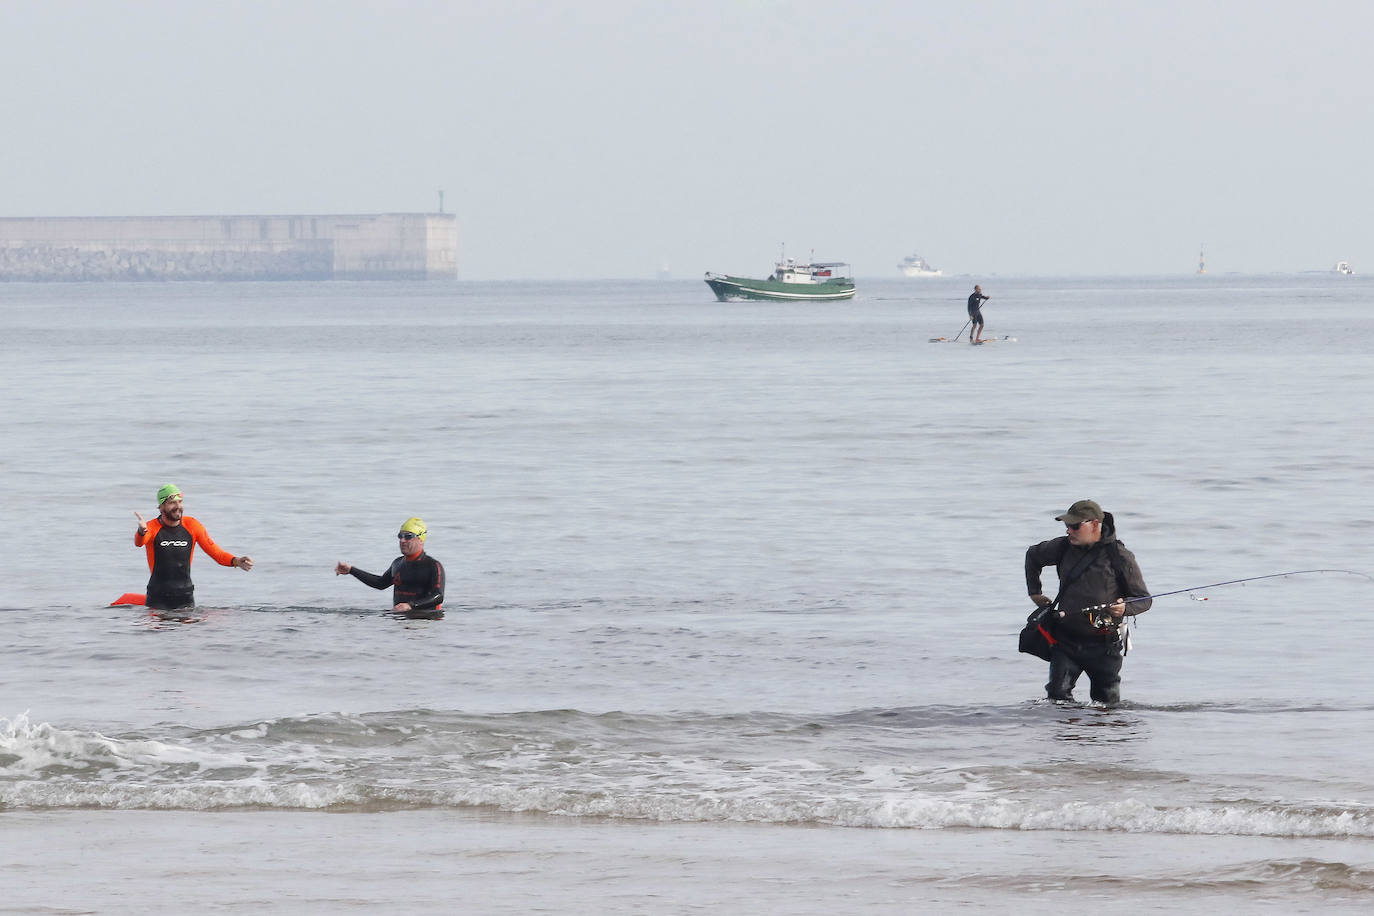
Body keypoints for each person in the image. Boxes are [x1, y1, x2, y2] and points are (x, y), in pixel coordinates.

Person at [1024, 499, 1151, 704]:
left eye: (1074, 526)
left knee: (1107, 706)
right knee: (1057, 698)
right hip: (1066, 641)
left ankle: (1098, 734)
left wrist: (1124, 608)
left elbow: (1144, 600)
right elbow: (1032, 555)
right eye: (1067, 526)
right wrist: (1034, 592)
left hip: (1105, 644)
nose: (1069, 531)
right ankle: (1068, 734)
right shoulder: (1061, 548)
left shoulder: (1120, 557)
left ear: (1094, 524)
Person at [134, 484, 253, 610]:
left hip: (185, 597)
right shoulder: (151, 527)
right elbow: (139, 542)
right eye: (172, 503)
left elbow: (217, 554)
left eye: (180, 502)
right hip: (157, 598)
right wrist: (141, 531)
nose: (178, 506)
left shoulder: (192, 525)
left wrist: (237, 561)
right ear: (161, 507)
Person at [335, 517, 445, 616]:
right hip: (400, 620)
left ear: (421, 539)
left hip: (426, 620)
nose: (402, 540)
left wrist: (410, 605)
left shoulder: (433, 566)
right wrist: (351, 570)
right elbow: (380, 583)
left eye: (408, 536)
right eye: (400, 536)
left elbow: (438, 596)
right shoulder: (398, 563)